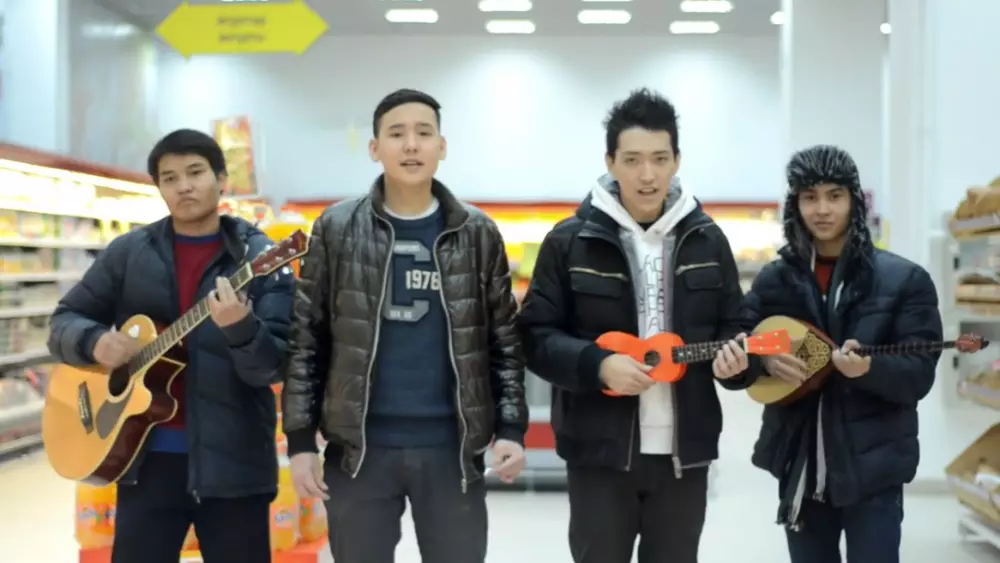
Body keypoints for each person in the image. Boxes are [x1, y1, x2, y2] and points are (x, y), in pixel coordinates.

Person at [282, 88, 529, 563]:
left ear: (442, 146)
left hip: (452, 449)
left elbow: (503, 342)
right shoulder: (336, 228)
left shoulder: (477, 233)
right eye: (397, 134)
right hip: (359, 450)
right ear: (374, 148)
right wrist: (299, 441)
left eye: (424, 133)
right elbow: (306, 339)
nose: (411, 145)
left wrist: (512, 428)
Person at [517, 88, 755, 563]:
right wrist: (597, 365)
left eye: (660, 159)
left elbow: (736, 329)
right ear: (611, 162)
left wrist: (739, 367)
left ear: (676, 161)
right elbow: (535, 337)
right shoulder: (569, 241)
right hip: (598, 453)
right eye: (632, 160)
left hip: (685, 453)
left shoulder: (708, 240)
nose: (647, 175)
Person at [46, 129, 295, 563]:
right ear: (159, 188)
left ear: (222, 179)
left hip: (234, 466)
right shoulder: (129, 253)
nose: (184, 186)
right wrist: (94, 341)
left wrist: (241, 329)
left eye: (196, 173)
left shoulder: (259, 258)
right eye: (170, 178)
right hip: (143, 458)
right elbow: (64, 321)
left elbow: (272, 369)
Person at [739, 145, 943, 563]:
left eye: (834, 196)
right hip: (799, 464)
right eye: (809, 197)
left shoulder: (905, 280)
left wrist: (869, 369)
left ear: (854, 199)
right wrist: (761, 361)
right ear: (795, 204)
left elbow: (919, 373)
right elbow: (738, 347)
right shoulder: (775, 281)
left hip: (875, 468)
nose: (822, 209)